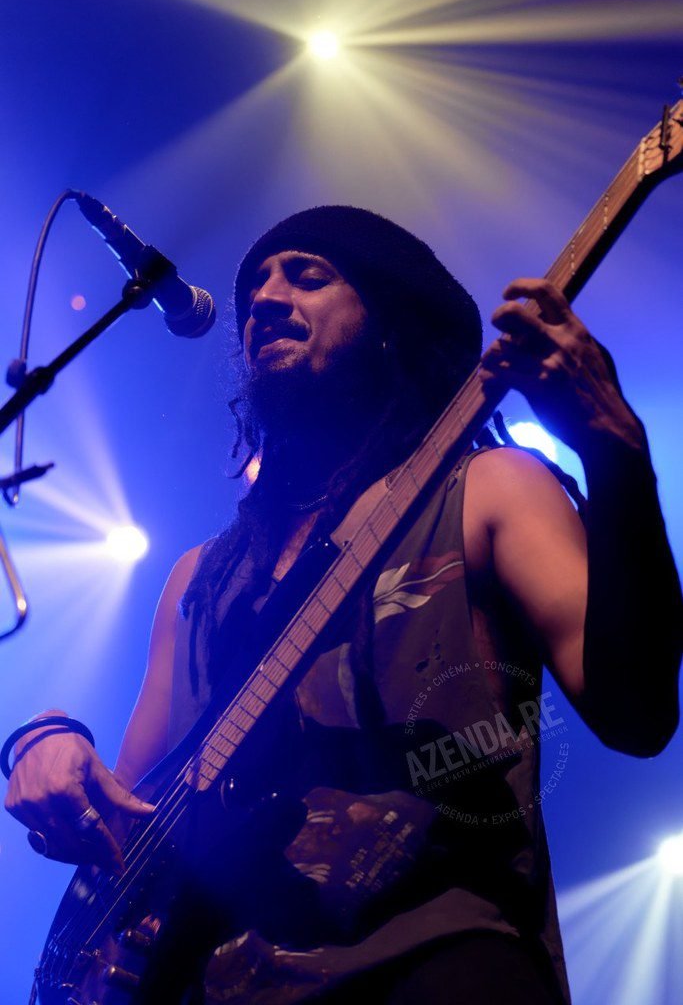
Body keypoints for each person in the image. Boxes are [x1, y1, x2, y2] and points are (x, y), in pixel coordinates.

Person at [4, 206, 682, 1004]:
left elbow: (635, 712)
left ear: (388, 326)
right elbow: (132, 820)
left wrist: (613, 448)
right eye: (255, 285)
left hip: (432, 968)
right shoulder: (198, 578)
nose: (265, 298)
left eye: (308, 275)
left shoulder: (489, 488)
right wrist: (42, 740)